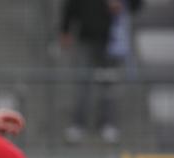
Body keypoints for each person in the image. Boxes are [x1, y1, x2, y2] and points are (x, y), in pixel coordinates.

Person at [60, 0, 142, 144]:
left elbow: (137, 4)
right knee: (82, 84)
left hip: (111, 40)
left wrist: (123, 4)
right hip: (86, 38)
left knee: (109, 84)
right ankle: (78, 124)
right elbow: (71, 4)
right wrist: (65, 29)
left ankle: (108, 123)